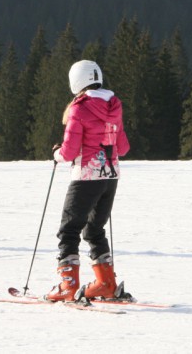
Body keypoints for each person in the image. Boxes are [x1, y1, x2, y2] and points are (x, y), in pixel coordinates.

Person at [45, 60, 130, 302]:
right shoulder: (115, 105)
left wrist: (56, 153)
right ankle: (106, 283)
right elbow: (123, 147)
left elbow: (70, 152)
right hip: (110, 175)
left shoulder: (79, 108)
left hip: (85, 176)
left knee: (69, 230)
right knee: (94, 229)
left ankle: (68, 286)